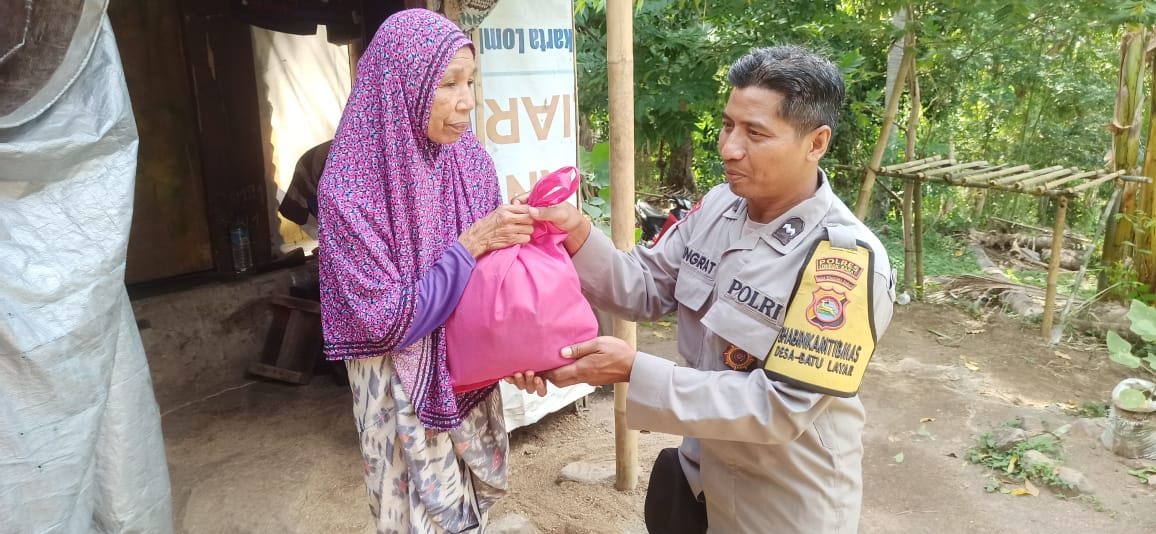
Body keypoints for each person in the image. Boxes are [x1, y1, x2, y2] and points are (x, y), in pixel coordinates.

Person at [512, 45, 896, 533]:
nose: (730, 147)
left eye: (756, 133)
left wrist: (633, 369)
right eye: (728, 125)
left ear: (815, 142)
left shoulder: (843, 262)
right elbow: (644, 286)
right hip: (699, 477)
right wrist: (575, 233)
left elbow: (779, 407)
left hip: (781, 504)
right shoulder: (719, 206)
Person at [317, 9, 535, 532]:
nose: (467, 101)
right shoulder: (349, 189)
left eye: (471, 82)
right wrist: (469, 246)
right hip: (393, 378)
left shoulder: (467, 158)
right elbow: (382, 321)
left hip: (466, 366)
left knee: (470, 513)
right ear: (404, 86)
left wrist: (521, 346)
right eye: (449, 83)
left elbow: (492, 280)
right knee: (414, 516)